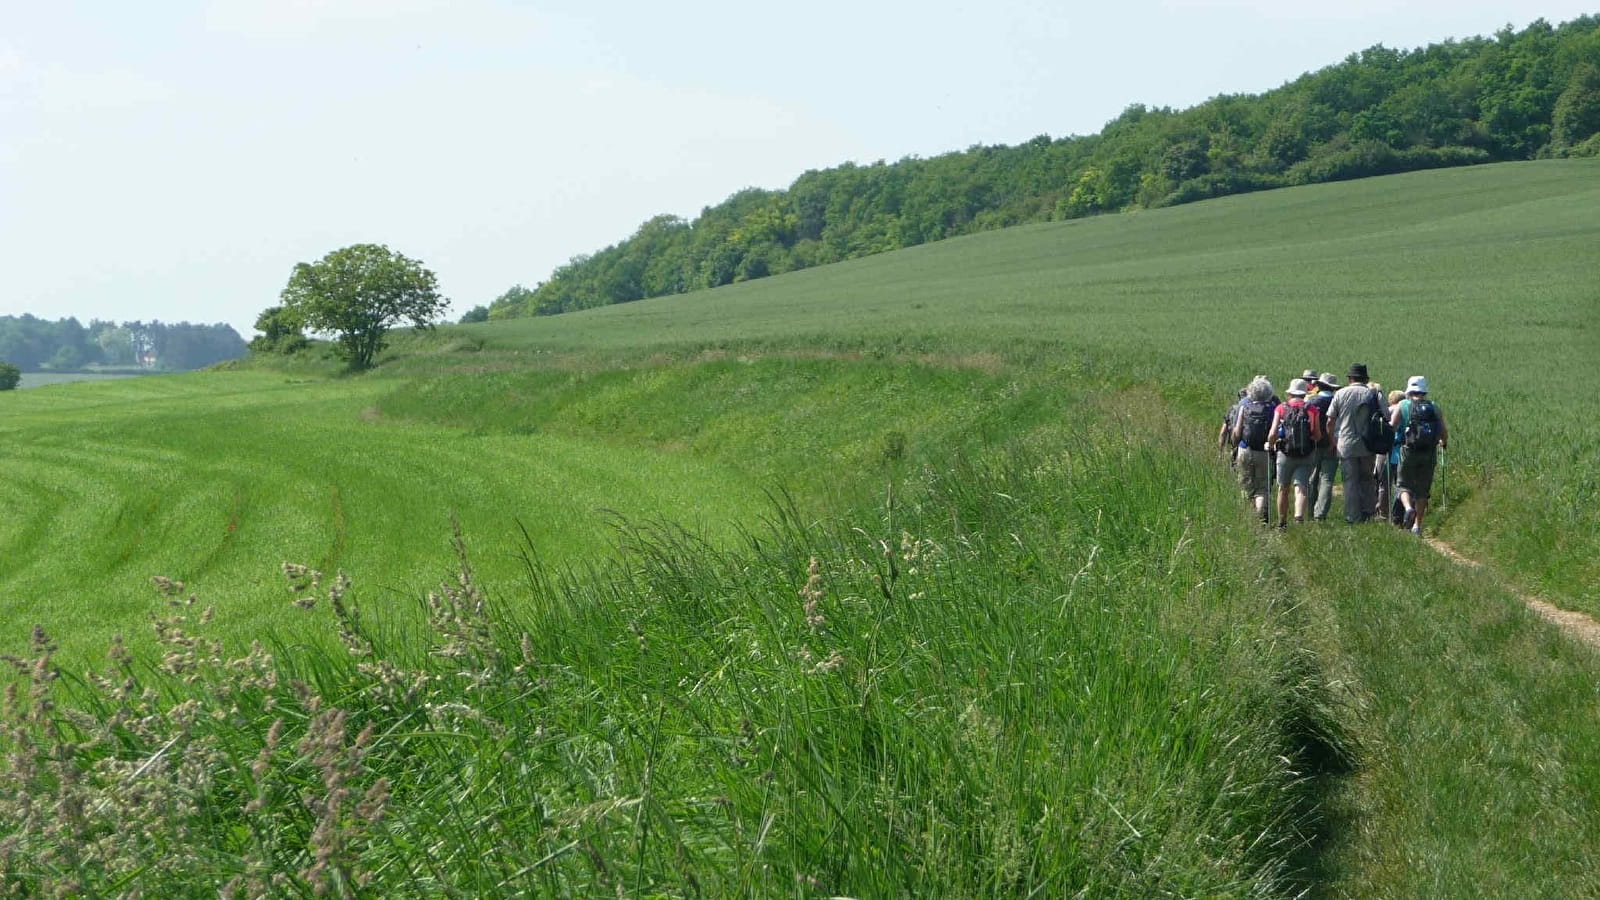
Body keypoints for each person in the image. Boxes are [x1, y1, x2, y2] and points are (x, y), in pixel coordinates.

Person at [1326, 363, 1386, 523]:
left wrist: (1333, 441)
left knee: (1350, 481)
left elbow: (1330, 421)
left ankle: (1352, 516)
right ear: (1366, 379)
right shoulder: (1373, 393)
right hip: (1368, 443)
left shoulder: (1340, 394)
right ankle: (1368, 512)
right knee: (1367, 478)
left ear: (1350, 378)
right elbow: (1386, 415)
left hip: (1345, 444)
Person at [1390, 375, 1449, 535]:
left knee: (1403, 485)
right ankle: (1417, 525)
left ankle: (1408, 508)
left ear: (1410, 390)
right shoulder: (1434, 407)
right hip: (1428, 453)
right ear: (1424, 391)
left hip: (1408, 451)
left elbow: (1393, 427)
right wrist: (1443, 443)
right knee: (1423, 490)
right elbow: (1443, 431)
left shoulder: (1403, 405)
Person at [1266, 378, 1321, 527]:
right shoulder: (1312, 410)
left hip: (1285, 453)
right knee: (1302, 487)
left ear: (1290, 393)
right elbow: (1317, 435)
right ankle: (1298, 518)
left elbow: (1272, 433)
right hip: (1306, 453)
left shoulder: (1281, 408)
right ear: (1304, 394)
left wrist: (1271, 445)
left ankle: (1282, 522)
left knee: (1283, 489)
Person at [1232, 376, 1276, 524]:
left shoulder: (1244, 407)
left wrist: (1236, 446)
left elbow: (1237, 431)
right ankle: (1259, 518)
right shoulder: (1272, 409)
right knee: (1262, 488)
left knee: (1245, 484)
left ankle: (1246, 518)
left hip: (1245, 449)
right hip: (1264, 451)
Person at [1306, 372, 1339, 520]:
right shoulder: (1337, 402)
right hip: (1332, 444)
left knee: (1312, 478)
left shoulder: (1311, 402)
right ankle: (1320, 514)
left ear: (1319, 385)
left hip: (1313, 444)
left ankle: (1309, 511)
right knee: (1327, 480)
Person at [1219, 388, 1247, 467]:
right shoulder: (1250, 409)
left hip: (1234, 444)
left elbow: (1223, 432)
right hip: (1247, 446)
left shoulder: (1232, 409)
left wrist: (1221, 450)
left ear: (1239, 397)